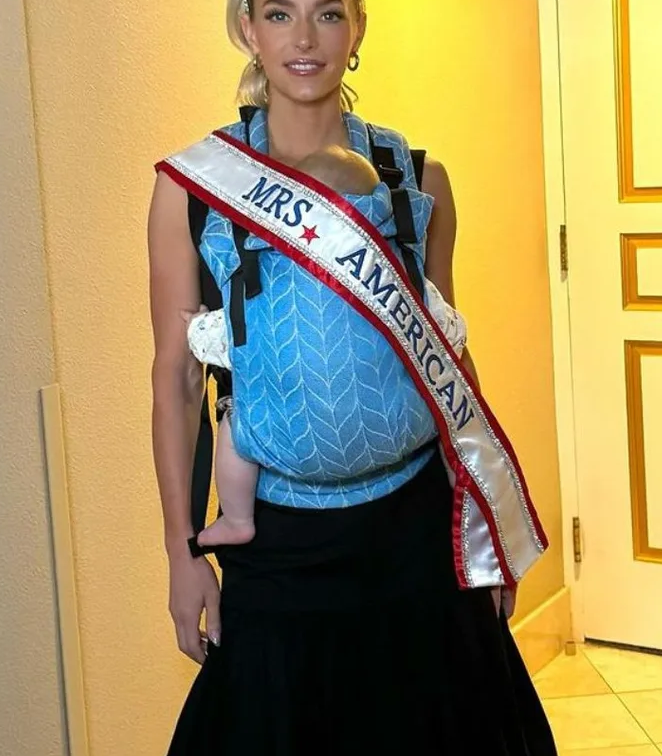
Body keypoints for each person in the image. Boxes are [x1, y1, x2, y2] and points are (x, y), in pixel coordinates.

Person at [139, 0, 575, 756]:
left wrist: (486, 531)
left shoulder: (414, 179)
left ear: (359, 25)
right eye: (280, 13)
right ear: (246, 26)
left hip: (417, 540)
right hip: (280, 552)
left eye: (327, 13)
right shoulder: (197, 191)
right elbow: (171, 377)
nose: (305, 38)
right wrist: (178, 554)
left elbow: (451, 369)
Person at [182, 144, 469, 548]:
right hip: (404, 435)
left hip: (292, 450)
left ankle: (236, 518)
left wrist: (195, 326)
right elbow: (449, 337)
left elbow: (226, 341)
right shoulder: (399, 274)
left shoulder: (277, 285)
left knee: (236, 417)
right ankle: (467, 492)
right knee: (443, 411)